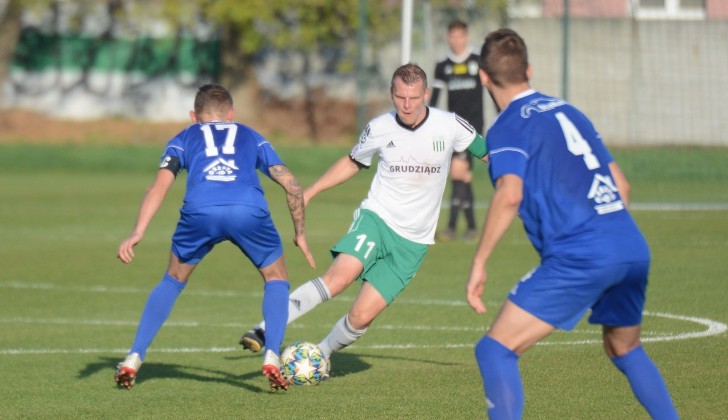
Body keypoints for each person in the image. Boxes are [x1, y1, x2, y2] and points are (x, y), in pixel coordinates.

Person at [453, 29, 708, 420]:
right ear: (529, 71)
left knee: (495, 351)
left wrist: (479, 262)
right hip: (629, 243)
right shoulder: (569, 109)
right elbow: (622, 186)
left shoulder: (506, 128)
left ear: (485, 77)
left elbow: (510, 194)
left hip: (582, 252)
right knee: (625, 349)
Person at [238, 63, 487, 361]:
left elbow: (490, 155)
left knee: (361, 317)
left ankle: (321, 354)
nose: (406, 106)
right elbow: (353, 161)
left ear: (427, 94)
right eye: (399, 97)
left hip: (414, 242)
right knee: (339, 278)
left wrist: (520, 190)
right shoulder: (380, 127)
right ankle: (265, 329)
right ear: (391, 94)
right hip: (377, 219)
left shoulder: (450, 125)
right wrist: (312, 191)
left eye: (414, 98)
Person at [115, 84, 315, 391]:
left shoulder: (183, 138)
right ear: (231, 114)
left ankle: (134, 356)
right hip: (248, 210)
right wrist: (300, 233)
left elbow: (157, 188)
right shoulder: (250, 135)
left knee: (172, 279)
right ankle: (272, 352)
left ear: (194, 116)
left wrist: (138, 231)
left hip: (200, 212)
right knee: (276, 277)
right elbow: (292, 185)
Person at [430, 20, 487, 242]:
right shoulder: (443, 65)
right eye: (452, 36)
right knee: (464, 175)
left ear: (467, 37)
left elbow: (491, 89)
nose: (456, 41)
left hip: (473, 128)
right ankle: (471, 227)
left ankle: (451, 227)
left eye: (460, 36)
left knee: (456, 172)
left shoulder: (477, 61)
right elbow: (435, 98)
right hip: (451, 127)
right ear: (448, 37)